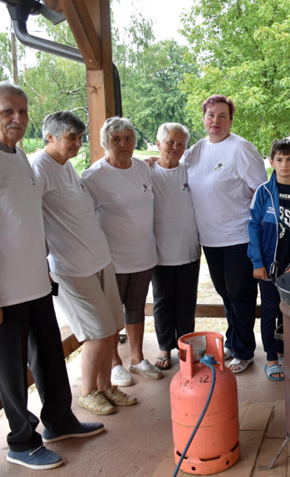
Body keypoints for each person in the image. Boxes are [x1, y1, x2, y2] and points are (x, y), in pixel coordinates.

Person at [0, 82, 102, 470]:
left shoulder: (16, 156)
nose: (17, 119)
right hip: (0, 292)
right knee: (12, 373)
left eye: (23, 111)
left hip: (34, 283)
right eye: (7, 112)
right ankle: (21, 441)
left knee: (50, 357)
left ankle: (59, 421)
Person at [32, 111, 136, 416]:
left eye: (79, 138)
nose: (77, 144)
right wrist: (40, 261)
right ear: (50, 137)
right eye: (70, 138)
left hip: (99, 260)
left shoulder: (65, 166)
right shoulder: (39, 169)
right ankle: (88, 391)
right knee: (97, 332)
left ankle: (106, 387)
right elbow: (30, 218)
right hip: (71, 267)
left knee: (112, 326)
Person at [184, 94, 268, 373]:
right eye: (210, 115)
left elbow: (262, 190)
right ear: (204, 119)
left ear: (231, 120)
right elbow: (175, 173)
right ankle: (233, 339)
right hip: (210, 238)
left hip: (239, 236)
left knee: (241, 294)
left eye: (222, 116)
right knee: (225, 292)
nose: (215, 121)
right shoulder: (196, 150)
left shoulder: (240, 148)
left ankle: (244, 351)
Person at [82, 117, 163, 387]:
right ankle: (115, 363)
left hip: (144, 254)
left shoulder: (142, 168)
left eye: (128, 139)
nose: (123, 144)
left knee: (137, 308)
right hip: (112, 259)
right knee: (113, 313)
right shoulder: (94, 176)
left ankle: (137, 358)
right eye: (116, 139)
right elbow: (84, 217)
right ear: (105, 142)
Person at [248, 139, 290, 380]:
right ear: (271, 162)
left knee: (289, 312)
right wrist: (257, 262)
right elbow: (253, 226)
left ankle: (287, 352)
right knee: (269, 310)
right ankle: (270, 357)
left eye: (289, 159)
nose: (284, 164)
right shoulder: (264, 192)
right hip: (268, 266)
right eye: (279, 159)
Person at [149, 123, 201, 370]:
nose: (175, 147)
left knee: (186, 302)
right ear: (158, 144)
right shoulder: (146, 171)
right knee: (162, 301)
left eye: (181, 143)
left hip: (189, 249)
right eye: (170, 142)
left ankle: (185, 346)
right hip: (159, 251)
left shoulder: (190, 170)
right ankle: (164, 348)